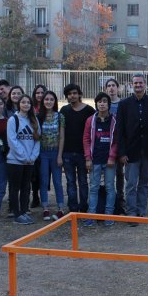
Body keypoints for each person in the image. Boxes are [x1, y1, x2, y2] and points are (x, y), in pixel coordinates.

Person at [117, 73, 148, 225]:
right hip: (131, 151)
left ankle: (141, 211)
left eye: (140, 83)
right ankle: (131, 213)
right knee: (131, 184)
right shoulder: (124, 105)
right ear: (132, 85)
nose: (138, 85)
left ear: (145, 84)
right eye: (135, 83)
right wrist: (122, 153)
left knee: (144, 183)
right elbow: (120, 130)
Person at [83, 92, 118, 226]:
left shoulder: (114, 120)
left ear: (109, 104)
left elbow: (116, 141)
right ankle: (91, 216)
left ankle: (109, 215)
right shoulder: (90, 120)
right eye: (99, 102)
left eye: (104, 101)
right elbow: (86, 139)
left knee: (110, 187)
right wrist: (87, 158)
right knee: (94, 188)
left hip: (109, 161)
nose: (102, 104)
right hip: (94, 160)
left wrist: (112, 157)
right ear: (96, 104)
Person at [60, 84, 95, 213]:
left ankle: (84, 207)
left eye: (74, 93)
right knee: (70, 181)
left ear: (79, 94)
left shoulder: (89, 110)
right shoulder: (64, 110)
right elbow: (61, 132)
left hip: (83, 153)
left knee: (83, 181)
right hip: (67, 152)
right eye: (69, 94)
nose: (72, 96)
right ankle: (73, 208)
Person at [6, 95, 40, 225]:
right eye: (23, 102)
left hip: (29, 161)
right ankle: (16, 213)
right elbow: (12, 141)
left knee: (26, 187)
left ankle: (24, 211)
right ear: (19, 104)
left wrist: (32, 157)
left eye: (28, 103)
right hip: (15, 161)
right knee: (15, 188)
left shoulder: (34, 120)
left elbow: (37, 140)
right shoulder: (13, 120)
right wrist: (23, 157)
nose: (26, 104)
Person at [38, 90, 66, 221]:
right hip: (42, 152)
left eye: (51, 99)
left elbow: (61, 137)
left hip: (55, 152)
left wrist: (60, 155)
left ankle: (61, 208)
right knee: (43, 181)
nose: (48, 102)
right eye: (46, 99)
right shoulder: (38, 117)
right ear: (43, 101)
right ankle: (45, 208)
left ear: (55, 102)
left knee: (57, 181)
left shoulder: (60, 116)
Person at [105, 78, 125, 214]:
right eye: (109, 86)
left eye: (113, 85)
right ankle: (108, 196)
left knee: (119, 172)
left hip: (120, 142)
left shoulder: (123, 104)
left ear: (118, 88)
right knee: (107, 172)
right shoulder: (103, 103)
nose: (111, 88)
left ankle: (120, 197)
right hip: (106, 143)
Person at [29, 84, 48, 208]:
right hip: (33, 145)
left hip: (46, 146)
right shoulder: (31, 109)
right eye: (37, 93)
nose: (40, 95)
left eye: (42, 93)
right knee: (34, 174)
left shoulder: (49, 108)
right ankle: (35, 195)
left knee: (45, 173)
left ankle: (43, 195)